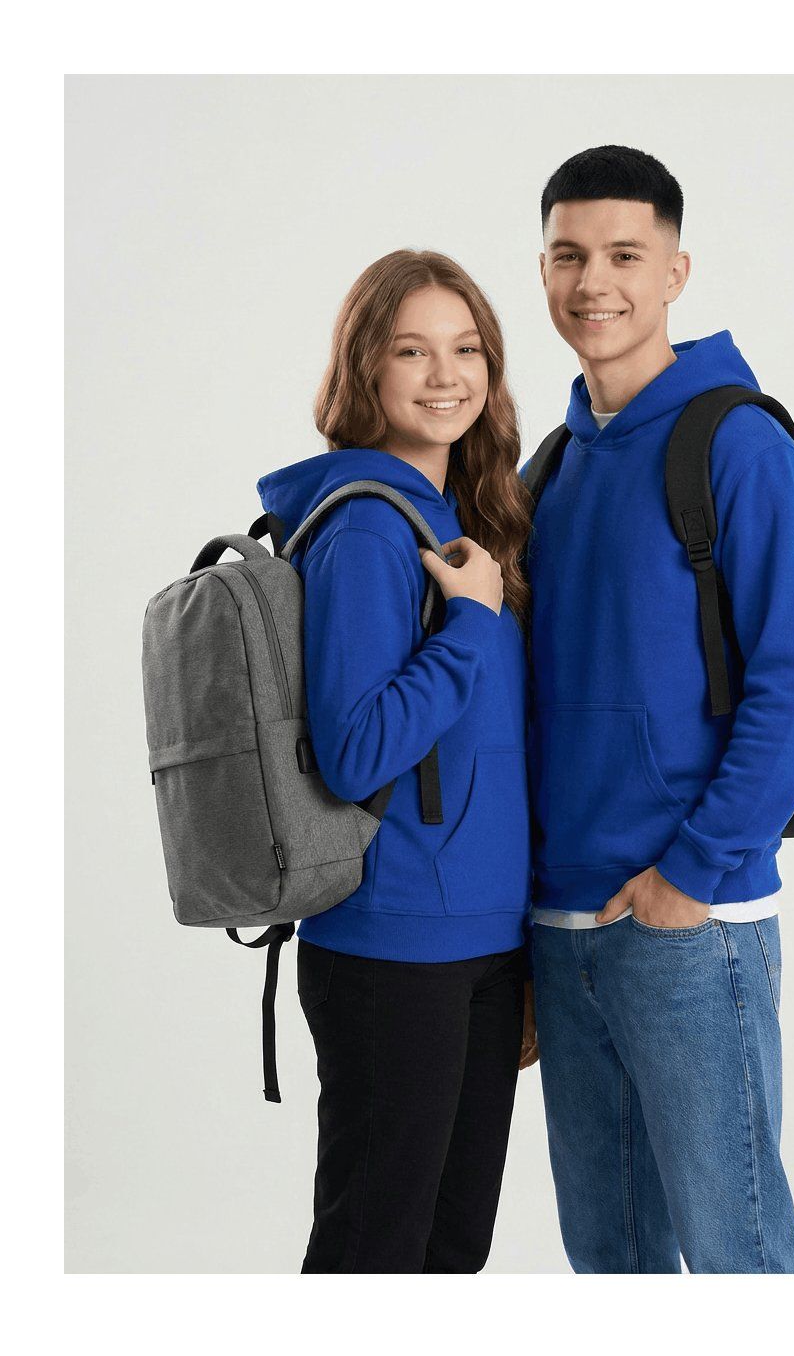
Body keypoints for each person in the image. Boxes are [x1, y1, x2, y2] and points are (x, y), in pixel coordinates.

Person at [524, 145, 794, 1273]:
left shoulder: (738, 445)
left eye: (624, 255)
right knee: (610, 1264)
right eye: (567, 255)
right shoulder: (549, 469)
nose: (592, 282)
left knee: (736, 1261)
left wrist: (691, 877)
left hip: (690, 927)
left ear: (674, 272)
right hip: (560, 931)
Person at [257, 250, 538, 1273]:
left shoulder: (462, 521)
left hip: (481, 939)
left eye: (467, 349)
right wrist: (469, 623)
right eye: (412, 350)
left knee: (449, 1252)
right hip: (391, 945)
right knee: (372, 1257)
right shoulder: (371, 529)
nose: (445, 374)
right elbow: (357, 748)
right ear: (365, 367)